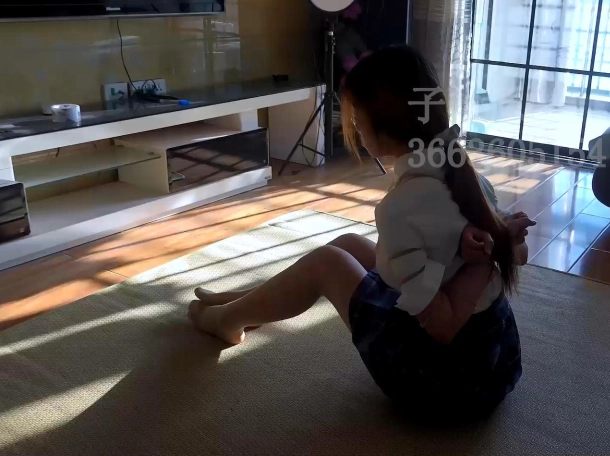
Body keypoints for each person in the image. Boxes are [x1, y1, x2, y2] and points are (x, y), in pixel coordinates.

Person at [188, 45, 532, 419]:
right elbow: (510, 253)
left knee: (326, 263)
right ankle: (249, 303)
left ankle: (227, 320)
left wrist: (474, 262)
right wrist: (488, 247)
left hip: (445, 385)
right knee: (349, 244)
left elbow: (440, 325)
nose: (352, 128)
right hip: (494, 363)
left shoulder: (401, 207)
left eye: (356, 120)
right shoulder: (467, 177)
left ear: (378, 129)